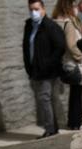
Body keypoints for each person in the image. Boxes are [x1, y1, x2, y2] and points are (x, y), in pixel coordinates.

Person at [23, 0, 66, 138]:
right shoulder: (29, 25)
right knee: (46, 99)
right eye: (31, 9)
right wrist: (28, 67)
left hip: (47, 70)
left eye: (36, 9)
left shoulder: (50, 26)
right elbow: (26, 46)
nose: (33, 12)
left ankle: (50, 129)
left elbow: (60, 47)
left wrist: (48, 64)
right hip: (35, 69)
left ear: (43, 9)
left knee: (45, 98)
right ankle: (53, 128)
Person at [51, 0, 82, 131]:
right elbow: (72, 45)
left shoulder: (55, 21)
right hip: (75, 63)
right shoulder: (69, 23)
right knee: (78, 94)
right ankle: (76, 122)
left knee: (74, 93)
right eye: (74, 5)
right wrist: (81, 56)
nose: (76, 8)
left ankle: (73, 122)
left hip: (64, 62)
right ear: (69, 6)